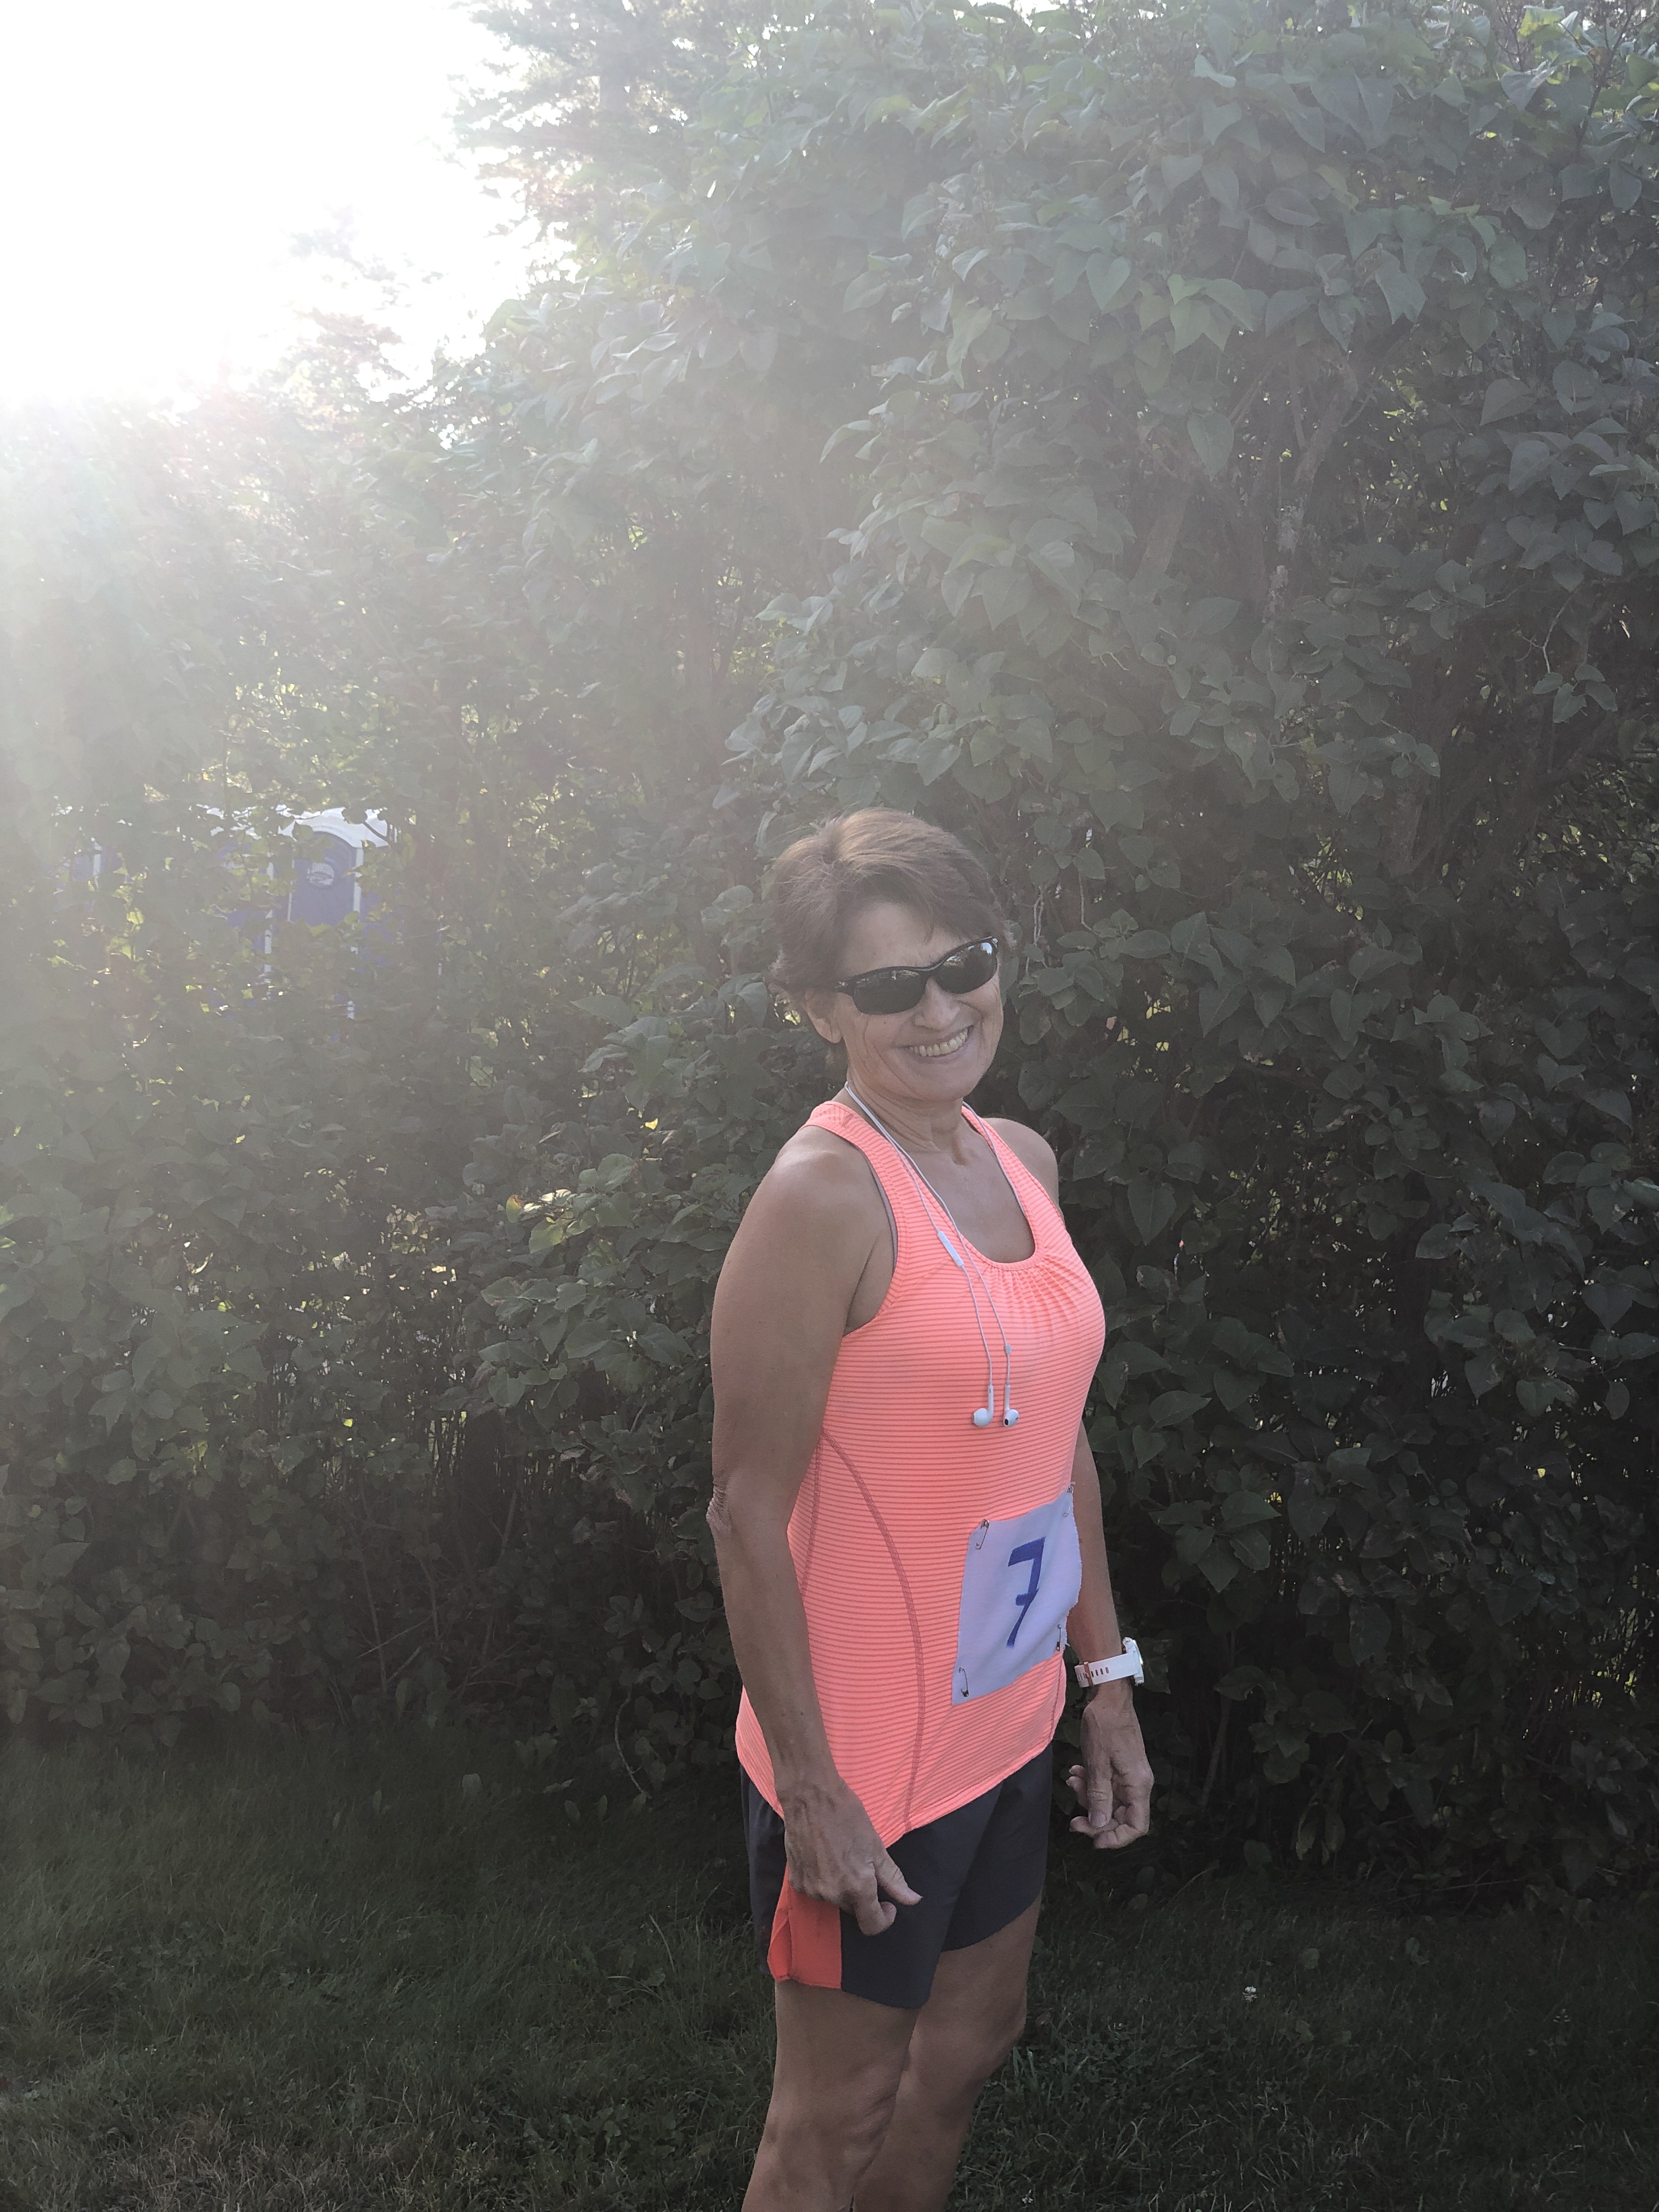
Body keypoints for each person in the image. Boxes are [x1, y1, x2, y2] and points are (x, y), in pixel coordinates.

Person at [708, 809, 1153, 2212]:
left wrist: (1106, 1683)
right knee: (834, 2117)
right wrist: (814, 1792)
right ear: (819, 1008)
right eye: (890, 984)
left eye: (963, 964)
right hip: (868, 1758)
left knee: (964, 2054)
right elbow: (743, 1512)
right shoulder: (821, 1198)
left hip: (1008, 1721)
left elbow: (1058, 1444)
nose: (940, 1008)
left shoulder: (1021, 1158)